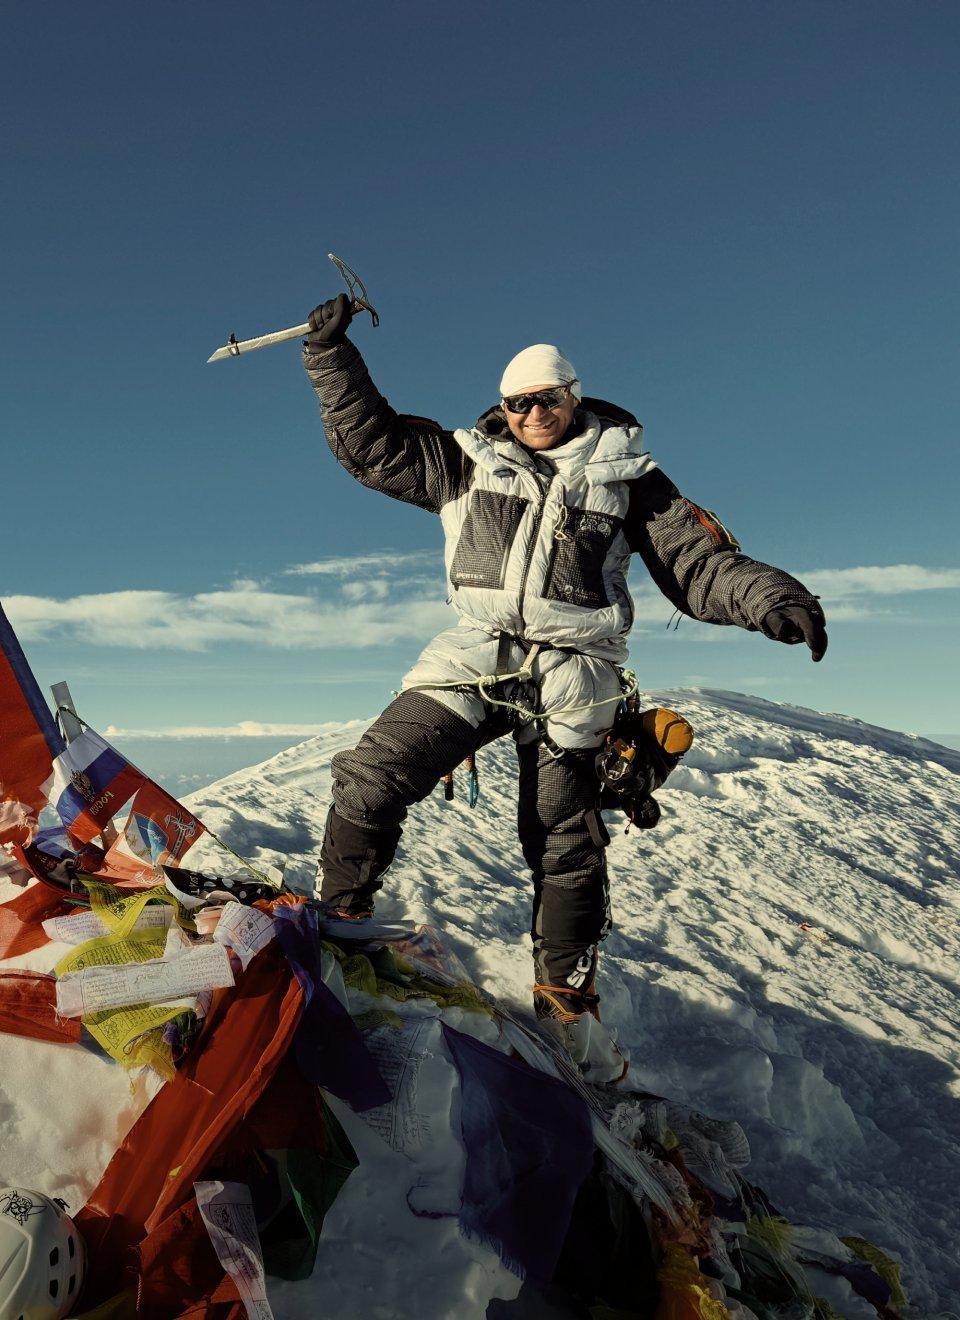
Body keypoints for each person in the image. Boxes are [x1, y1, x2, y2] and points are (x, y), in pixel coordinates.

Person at [302, 293, 827, 1081]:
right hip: (477, 650)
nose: (532, 412)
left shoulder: (630, 479)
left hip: (578, 669)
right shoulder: (465, 459)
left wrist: (775, 601)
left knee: (564, 840)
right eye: (517, 402)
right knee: (374, 773)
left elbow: (697, 561)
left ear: (573, 396)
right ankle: (338, 920)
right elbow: (372, 446)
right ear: (502, 407)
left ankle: (565, 1000)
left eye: (546, 398)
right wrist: (330, 356)